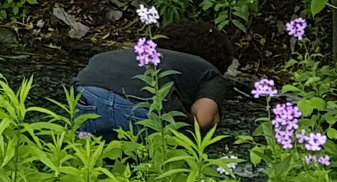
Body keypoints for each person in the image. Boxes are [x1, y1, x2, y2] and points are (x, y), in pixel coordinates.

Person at [72, 21, 235, 136]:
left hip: (85, 96)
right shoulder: (209, 71)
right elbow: (204, 119)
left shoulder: (136, 54)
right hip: (138, 108)